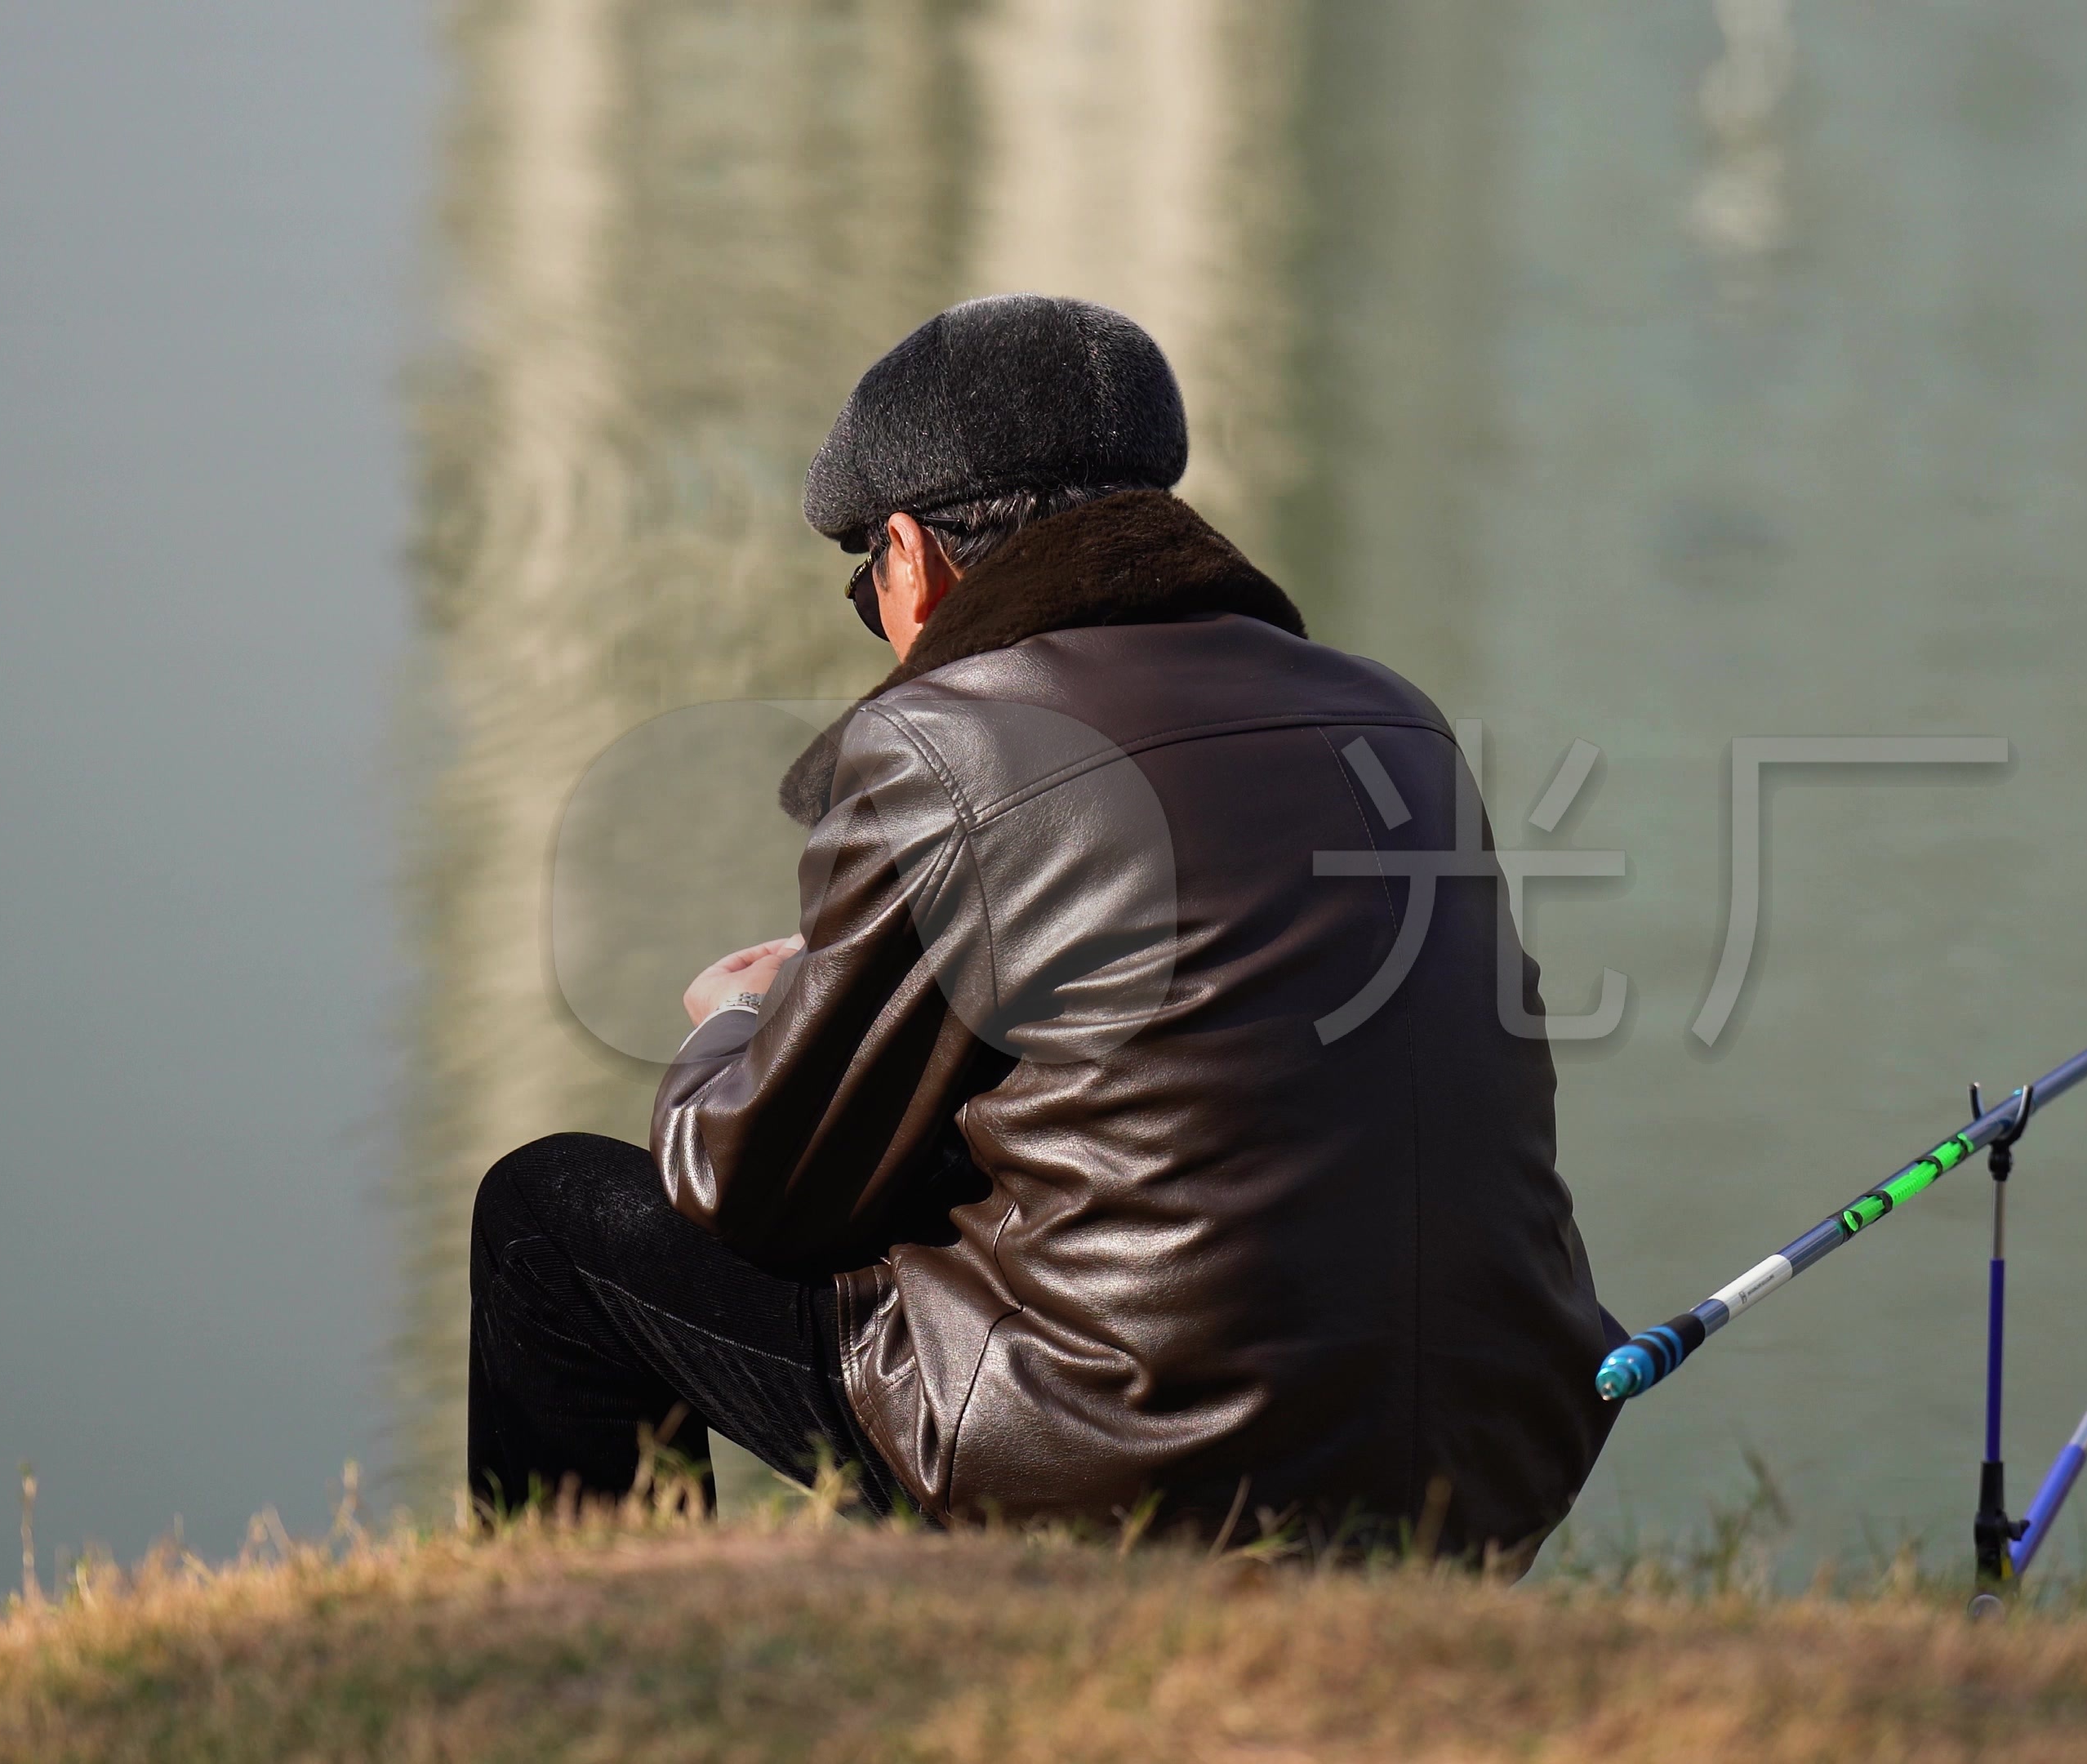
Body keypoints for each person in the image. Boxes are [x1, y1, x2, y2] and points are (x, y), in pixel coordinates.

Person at [467, 293, 1618, 1560]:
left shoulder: (951, 740)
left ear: (913, 555)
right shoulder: (1395, 719)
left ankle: (579, 1662)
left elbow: (755, 1185)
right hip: (1489, 1454)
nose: (885, 628)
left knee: (548, 1222)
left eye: (867, 587)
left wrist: (740, 1019)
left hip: (1149, 1467)